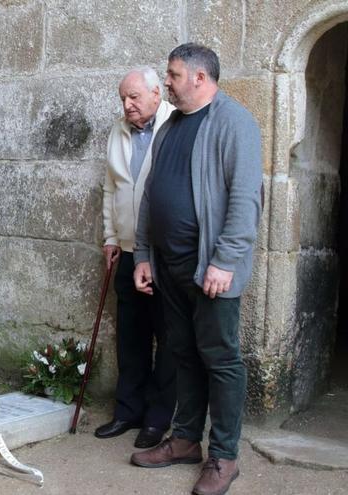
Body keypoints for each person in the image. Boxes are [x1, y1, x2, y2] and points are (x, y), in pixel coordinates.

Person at [131, 43, 262, 495]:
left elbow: (245, 199)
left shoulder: (234, 122)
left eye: (172, 75)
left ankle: (224, 456)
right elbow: (150, 195)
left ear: (199, 78)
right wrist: (143, 254)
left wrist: (224, 261)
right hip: (169, 266)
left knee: (221, 360)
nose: (166, 81)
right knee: (182, 352)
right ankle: (186, 440)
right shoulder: (170, 126)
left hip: (210, 269)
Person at [95, 68, 176, 449]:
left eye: (134, 97)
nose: (127, 105)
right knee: (130, 336)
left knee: (168, 338)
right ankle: (128, 411)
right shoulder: (119, 130)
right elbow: (111, 188)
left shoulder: (174, 125)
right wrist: (111, 237)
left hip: (162, 253)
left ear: (157, 93)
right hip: (127, 250)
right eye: (123, 99)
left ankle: (157, 419)